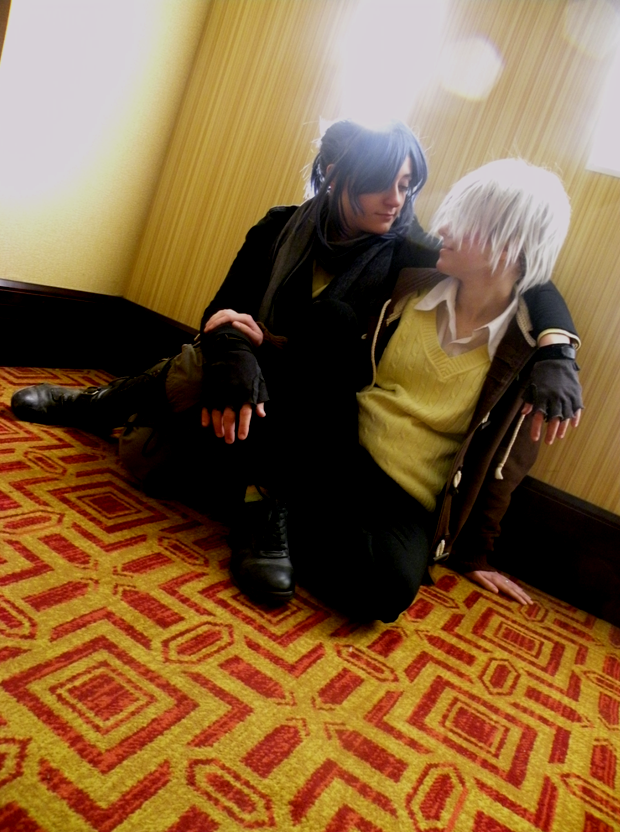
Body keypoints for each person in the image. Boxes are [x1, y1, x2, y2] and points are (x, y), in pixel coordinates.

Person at [10, 121, 582, 607]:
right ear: (335, 175)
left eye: (407, 186)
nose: (398, 201)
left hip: (304, 411)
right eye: (382, 183)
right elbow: (219, 313)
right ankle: (102, 406)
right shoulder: (281, 227)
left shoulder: (407, 255)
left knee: (378, 583)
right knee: (171, 430)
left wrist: (558, 345)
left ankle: (262, 498)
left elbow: (521, 274)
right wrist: (239, 354)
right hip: (251, 384)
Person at [288, 157, 577, 622]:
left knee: (386, 592)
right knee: (331, 318)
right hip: (341, 449)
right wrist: (560, 344)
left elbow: (508, 464)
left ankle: (277, 513)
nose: (442, 228)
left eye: (462, 222)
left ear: (509, 245)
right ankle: (286, 514)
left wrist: (477, 552)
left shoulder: (527, 354)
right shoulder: (412, 281)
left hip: (406, 501)